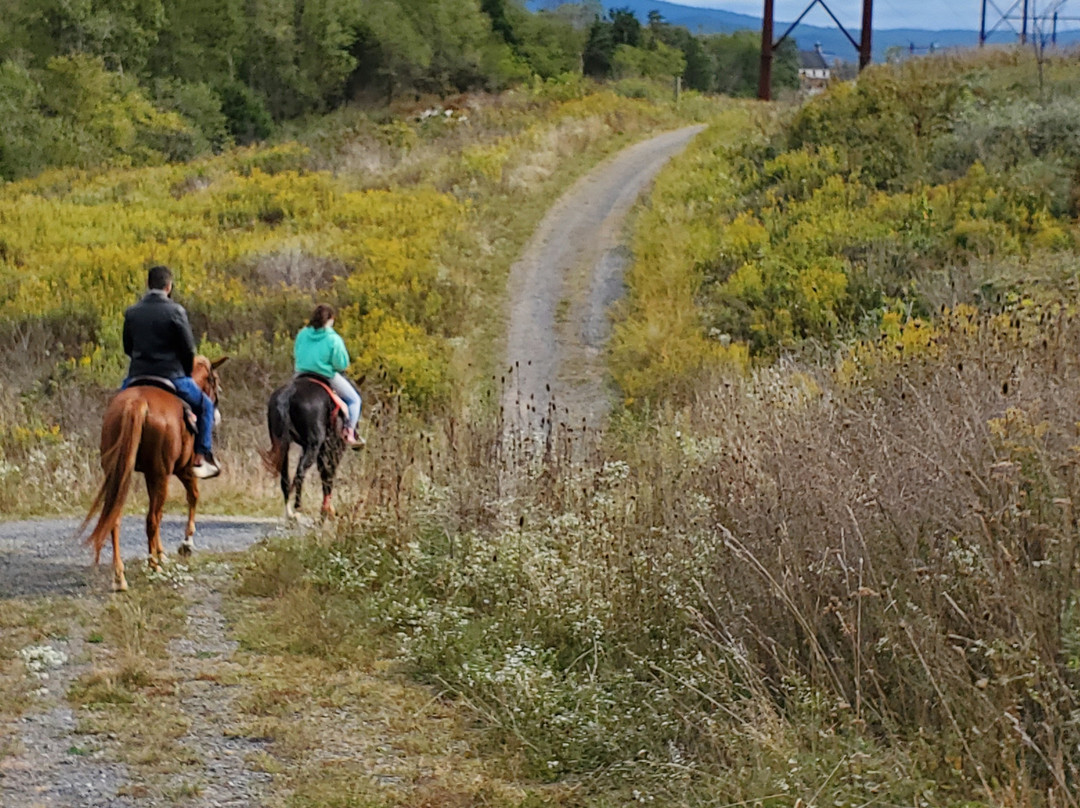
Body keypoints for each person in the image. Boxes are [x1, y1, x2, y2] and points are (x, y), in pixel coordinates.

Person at [121, 265, 221, 479]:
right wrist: (184, 371)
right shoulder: (176, 311)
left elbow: (127, 347)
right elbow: (188, 349)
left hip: (137, 376)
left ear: (148, 285)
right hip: (171, 376)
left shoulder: (132, 312)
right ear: (169, 286)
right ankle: (202, 456)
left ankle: (114, 450)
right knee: (206, 406)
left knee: (117, 406)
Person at [293, 303, 363, 447]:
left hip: (301, 374)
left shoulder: (302, 334)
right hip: (325, 375)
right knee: (354, 400)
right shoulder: (333, 339)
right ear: (330, 319)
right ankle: (349, 432)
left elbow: (296, 353)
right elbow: (342, 364)